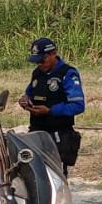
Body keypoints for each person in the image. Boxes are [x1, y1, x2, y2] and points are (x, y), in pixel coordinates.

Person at [18, 37, 85, 173]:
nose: (39, 64)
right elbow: (29, 93)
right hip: (36, 132)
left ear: (53, 54)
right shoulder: (37, 73)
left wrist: (50, 110)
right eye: (36, 61)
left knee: (55, 174)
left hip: (58, 134)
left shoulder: (67, 74)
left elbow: (78, 105)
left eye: (42, 60)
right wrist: (25, 100)